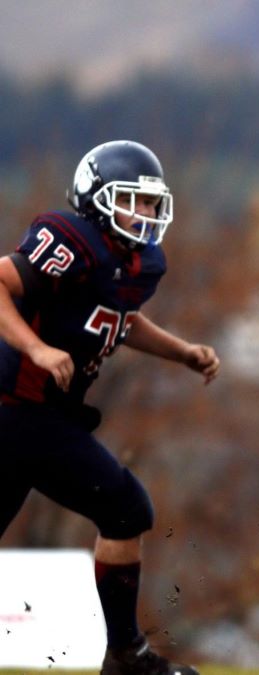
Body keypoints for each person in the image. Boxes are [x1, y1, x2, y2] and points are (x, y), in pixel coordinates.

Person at [0, 140, 220, 675]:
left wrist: (182, 353)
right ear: (96, 200)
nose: (144, 213)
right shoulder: (73, 240)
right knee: (126, 508)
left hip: (41, 416)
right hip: (15, 408)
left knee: (124, 510)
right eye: (132, 201)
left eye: (150, 204)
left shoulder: (140, 263)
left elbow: (118, 318)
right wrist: (36, 347)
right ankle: (126, 657)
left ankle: (125, 655)